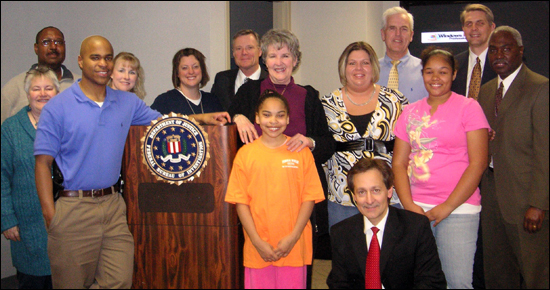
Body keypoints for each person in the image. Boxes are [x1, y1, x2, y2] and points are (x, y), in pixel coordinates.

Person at [34, 36, 229, 289]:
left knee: (120, 280)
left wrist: (204, 118)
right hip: (74, 209)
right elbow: (42, 164)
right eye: (95, 57)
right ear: (80, 61)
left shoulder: (126, 102)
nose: (103, 63)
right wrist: (52, 216)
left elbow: (164, 122)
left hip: (114, 206)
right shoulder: (58, 106)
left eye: (107, 57)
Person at [392, 47, 489, 289]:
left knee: (457, 282)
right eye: (429, 72)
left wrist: (446, 207)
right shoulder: (410, 111)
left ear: (454, 74)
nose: (435, 78)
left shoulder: (469, 107)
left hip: (458, 208)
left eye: (443, 72)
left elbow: (478, 164)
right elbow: (399, 162)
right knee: (417, 280)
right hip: (415, 208)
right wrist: (409, 206)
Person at [225, 90, 325, 289]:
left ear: (288, 119)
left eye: (280, 115)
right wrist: (256, 241)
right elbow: (240, 202)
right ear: (257, 118)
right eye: (267, 114)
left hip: (294, 247)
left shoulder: (300, 152)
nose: (273, 121)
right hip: (258, 248)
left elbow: (309, 198)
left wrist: (293, 237)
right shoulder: (245, 154)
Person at [477, 26, 549, 289]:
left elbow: (546, 151)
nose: (499, 55)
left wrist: (538, 204)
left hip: (525, 199)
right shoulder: (485, 91)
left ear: (520, 51)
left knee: (536, 274)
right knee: (497, 273)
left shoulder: (540, 88)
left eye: (506, 49)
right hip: (492, 195)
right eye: (493, 50)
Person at [320, 41, 407, 229]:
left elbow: (409, 147)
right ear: (343, 68)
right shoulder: (326, 105)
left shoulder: (395, 101)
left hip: (386, 195)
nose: (359, 68)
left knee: (390, 255)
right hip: (342, 196)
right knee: (348, 255)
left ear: (373, 67)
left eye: (365, 63)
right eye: (352, 63)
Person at [327, 158, 446, 289]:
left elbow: (432, 282)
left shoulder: (415, 227)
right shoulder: (341, 232)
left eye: (375, 190)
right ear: (354, 196)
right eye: (361, 192)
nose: (369, 200)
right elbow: (338, 283)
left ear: (389, 191)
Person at [2, 66, 58, 289]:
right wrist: (7, 219)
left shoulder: (67, 124)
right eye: (36, 89)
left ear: (57, 92)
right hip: (28, 227)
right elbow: (2, 176)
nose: (43, 93)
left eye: (48, 88)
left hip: (66, 224)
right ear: (27, 94)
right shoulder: (11, 129)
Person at [2, 26, 80, 124]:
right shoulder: (15, 87)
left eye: (58, 42)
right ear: (36, 48)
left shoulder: (80, 85)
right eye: (46, 42)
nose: (53, 47)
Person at [377, 6, 427, 104]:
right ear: (383, 34)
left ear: (411, 35)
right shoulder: (370, 71)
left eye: (404, 29)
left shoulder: (426, 70)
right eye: (392, 28)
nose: (398, 34)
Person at [151, 48, 224, 115]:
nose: (191, 72)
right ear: (177, 73)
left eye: (195, 67)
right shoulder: (164, 101)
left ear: (202, 70)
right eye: (185, 68)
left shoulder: (213, 100)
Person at [211, 29, 268, 110]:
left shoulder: (270, 81)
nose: (244, 52)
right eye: (238, 48)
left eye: (250, 47)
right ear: (233, 53)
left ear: (259, 51)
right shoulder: (222, 80)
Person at [451, 4, 497, 100]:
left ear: (492, 27)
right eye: (469, 24)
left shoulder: (501, 63)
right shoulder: (453, 64)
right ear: (463, 29)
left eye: (480, 23)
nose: (474, 28)